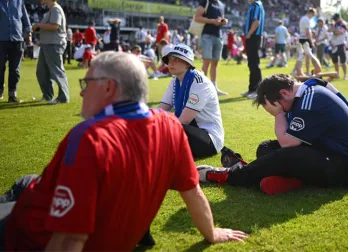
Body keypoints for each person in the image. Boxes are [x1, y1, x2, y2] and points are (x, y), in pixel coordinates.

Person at [0, 52, 248, 251]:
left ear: (109, 88)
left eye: (87, 83)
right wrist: (211, 233)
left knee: (25, 186)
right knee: (28, 182)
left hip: (28, 236)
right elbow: (193, 193)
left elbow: (69, 240)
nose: (82, 92)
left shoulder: (89, 138)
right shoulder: (171, 128)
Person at [198, 74, 348, 195]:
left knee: (287, 154)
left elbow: (287, 143)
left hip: (342, 168)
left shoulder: (311, 99)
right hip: (323, 153)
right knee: (265, 148)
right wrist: (280, 113)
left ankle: (230, 175)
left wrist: (279, 115)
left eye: (279, 107)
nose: (282, 112)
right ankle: (294, 181)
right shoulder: (304, 95)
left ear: (284, 93)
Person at [159, 43, 224, 159]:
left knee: (173, 128)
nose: (171, 62)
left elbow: (184, 120)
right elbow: (160, 111)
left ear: (187, 64)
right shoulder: (174, 81)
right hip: (190, 131)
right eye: (169, 59)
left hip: (210, 139)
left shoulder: (200, 83)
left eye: (176, 59)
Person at [33, 0, 70, 104]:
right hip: (47, 44)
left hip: (54, 45)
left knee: (56, 71)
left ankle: (63, 97)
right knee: (41, 71)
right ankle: (48, 95)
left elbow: (55, 26)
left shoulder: (55, 9)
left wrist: (38, 25)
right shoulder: (51, 10)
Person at [194, 0, 228, 96]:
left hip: (218, 35)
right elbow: (197, 17)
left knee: (215, 63)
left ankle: (214, 87)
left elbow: (219, 19)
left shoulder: (222, 5)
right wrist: (212, 21)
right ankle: (200, 87)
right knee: (206, 61)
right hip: (207, 35)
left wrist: (223, 22)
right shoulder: (206, 1)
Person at [0, 0, 32, 103]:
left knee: (15, 69)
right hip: (1, 40)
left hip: (17, 39)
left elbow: (25, 17)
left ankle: (12, 94)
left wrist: (28, 33)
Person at [241, 0, 265, 100]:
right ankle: (252, 88)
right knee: (251, 63)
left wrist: (249, 34)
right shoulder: (254, 5)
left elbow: (256, 21)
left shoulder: (256, 5)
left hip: (254, 37)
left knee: (254, 63)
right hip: (253, 36)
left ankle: (257, 90)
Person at [298, 8, 320, 75]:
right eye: (313, 15)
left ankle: (298, 70)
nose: (312, 17)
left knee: (302, 56)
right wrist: (312, 42)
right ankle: (307, 71)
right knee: (308, 56)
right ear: (311, 13)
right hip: (305, 38)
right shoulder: (306, 19)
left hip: (301, 37)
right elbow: (308, 32)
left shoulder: (303, 18)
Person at [328, 13, 348, 80]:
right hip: (334, 45)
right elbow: (329, 30)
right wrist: (334, 30)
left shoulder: (343, 24)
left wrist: (333, 30)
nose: (334, 20)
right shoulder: (335, 25)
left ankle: (345, 75)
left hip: (341, 44)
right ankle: (337, 74)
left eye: (335, 19)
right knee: (335, 61)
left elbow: (338, 32)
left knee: (343, 60)